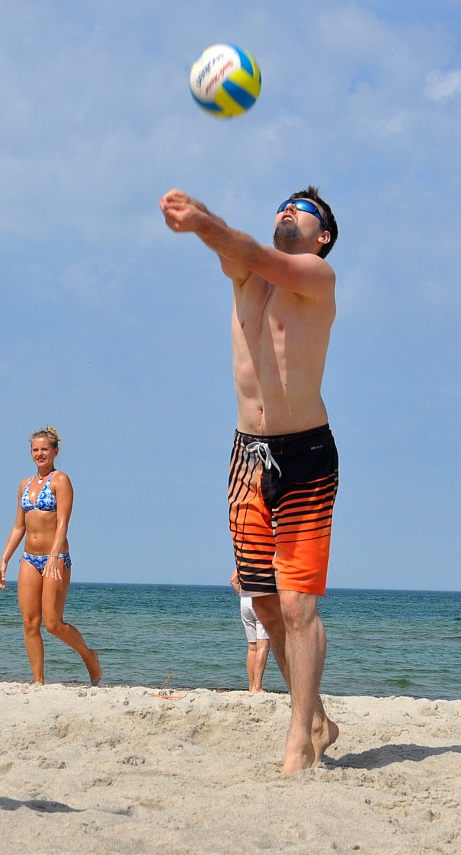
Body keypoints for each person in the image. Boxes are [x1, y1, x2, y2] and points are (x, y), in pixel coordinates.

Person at [160, 186, 341, 773]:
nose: (289, 210)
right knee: (263, 604)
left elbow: (256, 252)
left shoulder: (315, 275)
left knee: (297, 605)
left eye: (304, 210)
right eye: (284, 205)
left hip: (306, 457)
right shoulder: (247, 275)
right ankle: (317, 719)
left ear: (323, 237)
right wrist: (203, 221)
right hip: (247, 458)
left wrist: (201, 223)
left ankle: (299, 742)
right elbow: (238, 251)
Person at [0, 427, 101, 685]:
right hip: (29, 559)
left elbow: (63, 523)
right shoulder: (24, 485)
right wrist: (4, 559)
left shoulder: (61, 480)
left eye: (44, 449)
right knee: (30, 623)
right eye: (35, 449)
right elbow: (19, 526)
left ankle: (89, 656)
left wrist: (54, 555)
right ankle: (38, 682)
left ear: (55, 451)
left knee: (53, 624)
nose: (39, 454)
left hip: (56, 559)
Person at [231, 568, 271, 694]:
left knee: (252, 647)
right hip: (261, 600)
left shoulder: (244, 559)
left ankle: (252, 686)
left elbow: (233, 580)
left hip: (245, 600)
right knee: (263, 646)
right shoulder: (268, 560)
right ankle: (257, 687)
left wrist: (242, 594)